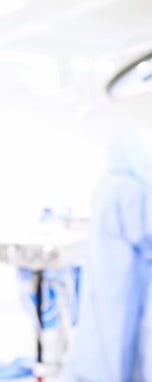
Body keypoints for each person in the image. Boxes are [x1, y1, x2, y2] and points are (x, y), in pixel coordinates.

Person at [62, 127, 152, 381]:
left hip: (102, 272)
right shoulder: (132, 187)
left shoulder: (104, 183)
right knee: (122, 333)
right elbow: (141, 234)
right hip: (125, 275)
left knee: (100, 330)